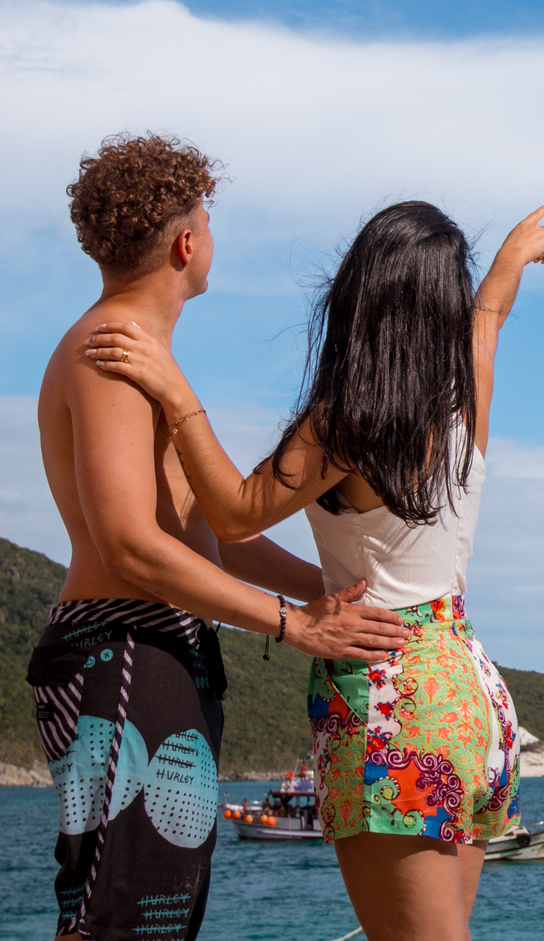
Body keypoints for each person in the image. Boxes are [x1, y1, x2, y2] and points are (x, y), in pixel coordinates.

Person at [83, 196, 544, 941]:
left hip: (389, 694)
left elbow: (237, 514)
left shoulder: (351, 421)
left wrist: (178, 397)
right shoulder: (464, 398)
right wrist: (511, 257)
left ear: (360, 295)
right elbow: (489, 316)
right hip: (468, 692)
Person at [33, 133, 410, 941]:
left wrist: (331, 592)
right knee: (121, 921)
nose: (212, 236)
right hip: (121, 653)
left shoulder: (142, 355)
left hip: (154, 652)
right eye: (209, 220)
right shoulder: (110, 351)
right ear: (185, 243)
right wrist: (291, 624)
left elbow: (204, 534)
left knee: (156, 918)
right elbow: (129, 544)